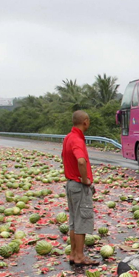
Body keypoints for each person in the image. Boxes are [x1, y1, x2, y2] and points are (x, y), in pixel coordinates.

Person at [62, 110, 98, 266]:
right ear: (85, 121)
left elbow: (63, 157)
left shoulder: (68, 137)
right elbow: (81, 161)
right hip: (78, 185)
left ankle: (73, 254)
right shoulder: (77, 140)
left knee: (73, 221)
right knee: (82, 221)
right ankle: (80, 257)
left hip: (70, 184)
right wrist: (85, 180)